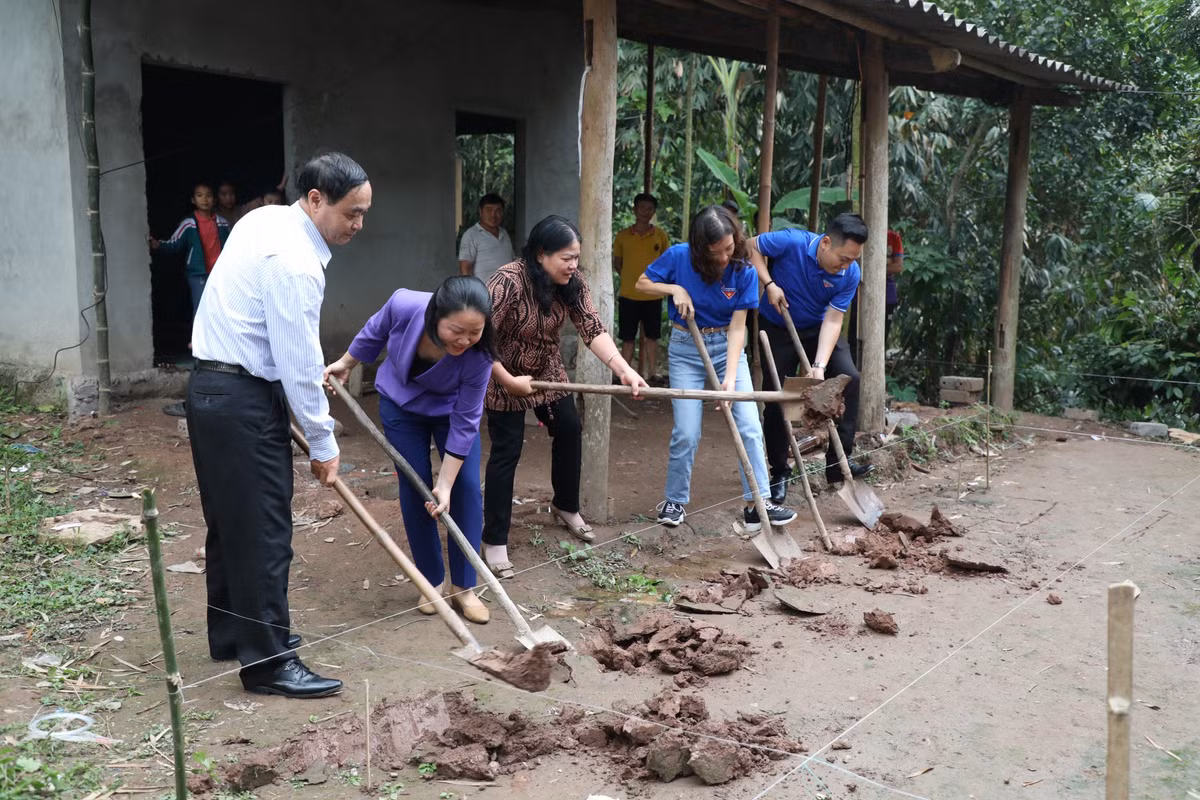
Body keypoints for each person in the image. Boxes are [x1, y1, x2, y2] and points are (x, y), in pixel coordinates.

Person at [186, 152, 372, 698]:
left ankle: (232, 635)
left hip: (209, 390)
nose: (358, 225)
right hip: (241, 398)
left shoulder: (264, 219)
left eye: (364, 214)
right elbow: (298, 362)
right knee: (265, 532)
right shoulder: (294, 261)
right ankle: (268, 662)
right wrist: (323, 441)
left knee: (229, 524)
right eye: (351, 214)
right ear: (315, 200)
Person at [482, 215, 647, 578]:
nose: (573, 265)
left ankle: (565, 505)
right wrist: (508, 381)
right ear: (541, 255)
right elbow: (480, 338)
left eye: (576, 257)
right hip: (502, 371)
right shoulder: (507, 281)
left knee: (570, 429)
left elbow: (592, 327)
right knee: (507, 451)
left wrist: (623, 368)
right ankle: (494, 539)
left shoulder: (572, 283)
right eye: (566, 257)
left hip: (547, 370)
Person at [323, 277, 494, 624]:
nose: (464, 340)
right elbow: (374, 331)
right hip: (401, 407)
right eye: (456, 330)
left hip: (451, 414)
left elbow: (465, 423)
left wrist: (444, 483)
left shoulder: (480, 356)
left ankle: (465, 586)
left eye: (474, 332)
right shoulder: (405, 305)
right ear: (435, 316)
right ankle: (430, 581)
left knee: (465, 489)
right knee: (415, 486)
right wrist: (346, 362)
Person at [635, 205, 798, 531]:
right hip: (686, 349)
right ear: (699, 249)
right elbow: (642, 283)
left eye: (728, 248)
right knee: (687, 431)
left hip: (727, 348)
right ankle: (674, 501)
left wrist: (727, 379)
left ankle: (757, 502)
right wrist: (674, 288)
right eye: (715, 252)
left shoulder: (744, 270)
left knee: (750, 426)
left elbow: (739, 327)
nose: (724, 257)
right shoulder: (679, 256)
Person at [748, 212, 873, 503]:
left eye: (853, 259)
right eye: (843, 258)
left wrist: (819, 366)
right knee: (779, 396)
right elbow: (750, 245)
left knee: (849, 378)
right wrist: (769, 284)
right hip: (777, 326)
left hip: (817, 328)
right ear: (826, 243)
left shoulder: (850, 274)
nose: (847, 265)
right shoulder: (790, 242)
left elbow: (833, 319)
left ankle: (837, 463)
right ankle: (779, 471)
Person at [149, 181, 231, 320]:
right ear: (193, 200)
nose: (204, 199)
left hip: (219, 272)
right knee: (200, 306)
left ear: (214, 199)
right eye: (200, 195)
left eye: (209, 196)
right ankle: (197, 340)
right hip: (197, 273)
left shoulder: (222, 223)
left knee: (222, 307)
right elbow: (174, 244)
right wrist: (158, 245)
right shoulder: (189, 223)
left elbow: (232, 246)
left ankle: (217, 341)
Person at [613, 193, 670, 382]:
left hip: (653, 295)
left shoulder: (660, 236)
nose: (646, 212)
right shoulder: (622, 236)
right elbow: (618, 263)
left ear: (653, 212)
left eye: (650, 208)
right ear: (634, 209)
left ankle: (652, 373)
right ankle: (624, 373)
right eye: (642, 208)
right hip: (628, 294)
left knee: (652, 337)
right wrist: (630, 279)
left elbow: (666, 262)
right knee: (627, 338)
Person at [458, 193, 514, 285]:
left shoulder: (504, 233)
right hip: (483, 295)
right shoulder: (471, 235)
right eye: (489, 210)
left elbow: (511, 261)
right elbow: (465, 269)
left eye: (498, 210)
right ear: (480, 211)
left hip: (506, 294)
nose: (493, 215)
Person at [216, 174, 289, 226]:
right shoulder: (213, 214)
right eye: (224, 194)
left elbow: (258, 201)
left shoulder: (240, 211)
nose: (228, 198)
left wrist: (277, 190)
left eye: (231, 194)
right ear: (216, 195)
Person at [885, 229, 905, 349]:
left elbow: (898, 266)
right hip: (860, 292)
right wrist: (887, 262)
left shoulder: (893, 237)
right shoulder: (860, 235)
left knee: (884, 331)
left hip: (888, 294)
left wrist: (875, 269)